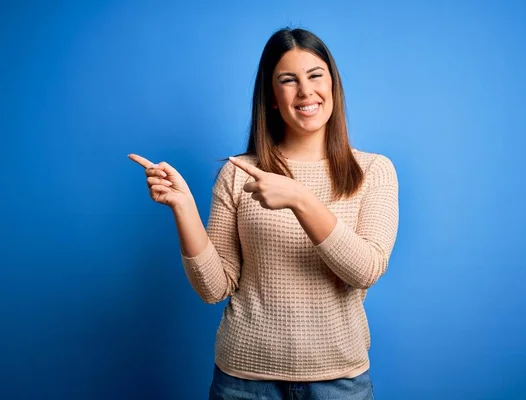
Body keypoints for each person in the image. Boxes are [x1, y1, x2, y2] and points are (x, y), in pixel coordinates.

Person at [129, 27, 398, 400]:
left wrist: (300, 200)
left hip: (339, 383)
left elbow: (365, 270)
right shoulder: (238, 173)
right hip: (243, 383)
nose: (305, 91)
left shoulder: (374, 171)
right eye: (288, 80)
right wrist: (184, 207)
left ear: (333, 84)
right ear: (272, 97)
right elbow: (213, 288)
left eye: (315, 76)